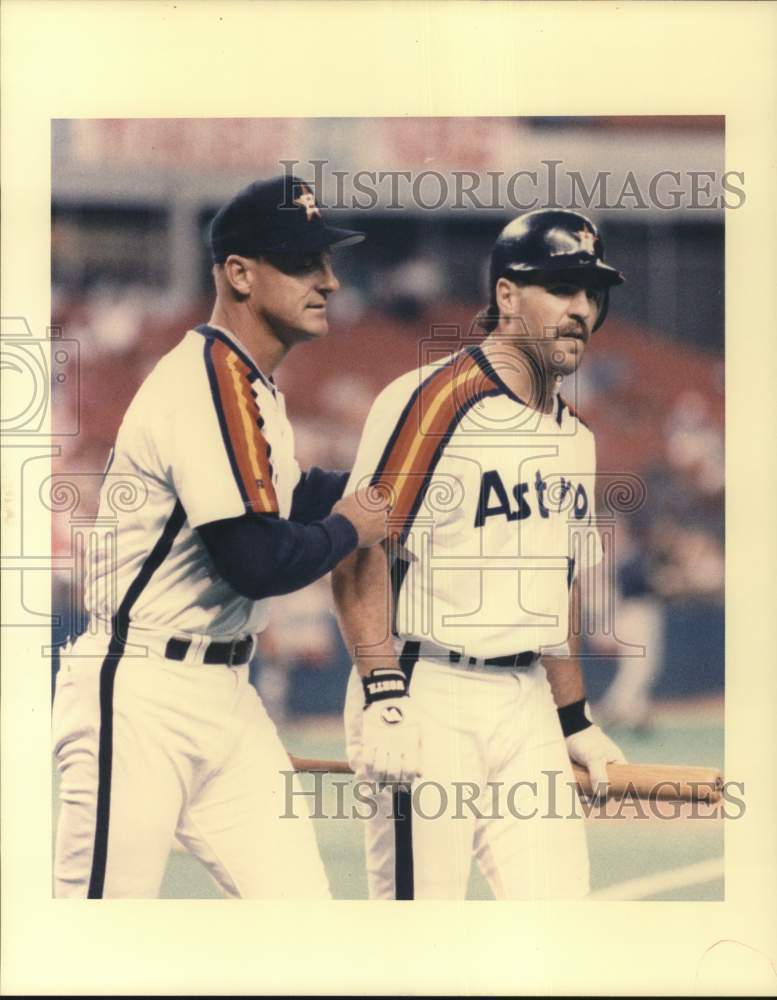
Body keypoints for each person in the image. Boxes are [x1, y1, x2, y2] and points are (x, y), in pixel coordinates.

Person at [52, 175, 389, 898]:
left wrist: (402, 483)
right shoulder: (208, 379)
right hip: (139, 692)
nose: (328, 280)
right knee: (94, 940)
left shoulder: (251, 383)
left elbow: (296, 491)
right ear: (238, 272)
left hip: (225, 695)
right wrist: (351, 526)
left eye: (326, 262)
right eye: (302, 261)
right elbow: (255, 560)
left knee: (301, 921)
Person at [333, 209, 628, 900]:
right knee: (420, 939)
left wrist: (574, 718)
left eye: (591, 293)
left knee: (558, 923)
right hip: (426, 688)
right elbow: (358, 554)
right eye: (560, 287)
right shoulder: (431, 399)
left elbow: (555, 587)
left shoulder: (574, 438)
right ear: (504, 295)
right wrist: (383, 695)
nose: (581, 309)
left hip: (525, 704)